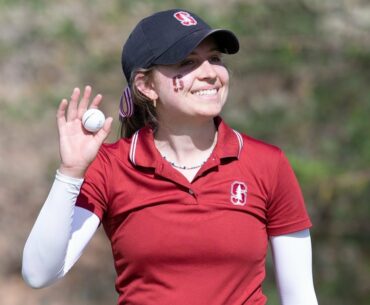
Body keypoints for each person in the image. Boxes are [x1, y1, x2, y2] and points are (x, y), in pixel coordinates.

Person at [22, 8, 318, 305]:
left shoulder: (267, 163)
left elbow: (301, 296)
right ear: (146, 86)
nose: (210, 73)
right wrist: (71, 171)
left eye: (215, 59)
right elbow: (38, 273)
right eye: (187, 62)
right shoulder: (111, 167)